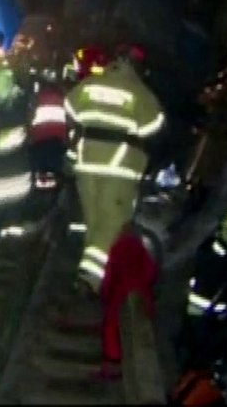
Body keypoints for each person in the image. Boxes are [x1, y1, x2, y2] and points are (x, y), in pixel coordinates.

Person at [65, 52, 165, 290]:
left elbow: (70, 105)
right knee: (112, 221)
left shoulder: (91, 83)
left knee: (94, 220)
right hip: (119, 167)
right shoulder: (138, 90)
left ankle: (94, 273)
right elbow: (153, 126)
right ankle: (90, 278)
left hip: (86, 160)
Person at [94, 217, 162, 381]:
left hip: (120, 294)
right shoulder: (141, 250)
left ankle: (113, 364)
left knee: (112, 329)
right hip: (141, 295)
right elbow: (151, 272)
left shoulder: (118, 247)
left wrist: (105, 294)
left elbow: (110, 273)